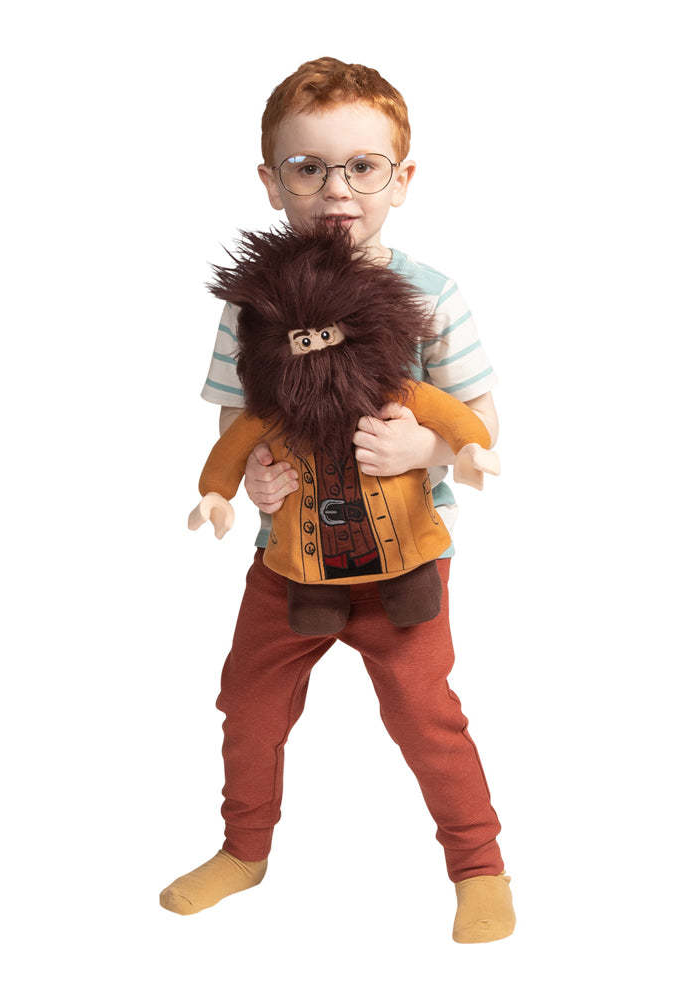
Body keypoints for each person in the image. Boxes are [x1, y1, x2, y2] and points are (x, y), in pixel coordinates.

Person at [161, 57, 515, 943]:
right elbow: (239, 421)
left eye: (362, 166)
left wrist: (427, 446)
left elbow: (480, 420)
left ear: (402, 178)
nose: (337, 188)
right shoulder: (252, 308)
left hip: (405, 561)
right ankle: (244, 849)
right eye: (308, 167)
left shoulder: (432, 295)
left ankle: (479, 864)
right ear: (270, 182)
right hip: (290, 558)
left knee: (426, 716)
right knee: (248, 705)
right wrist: (249, 479)